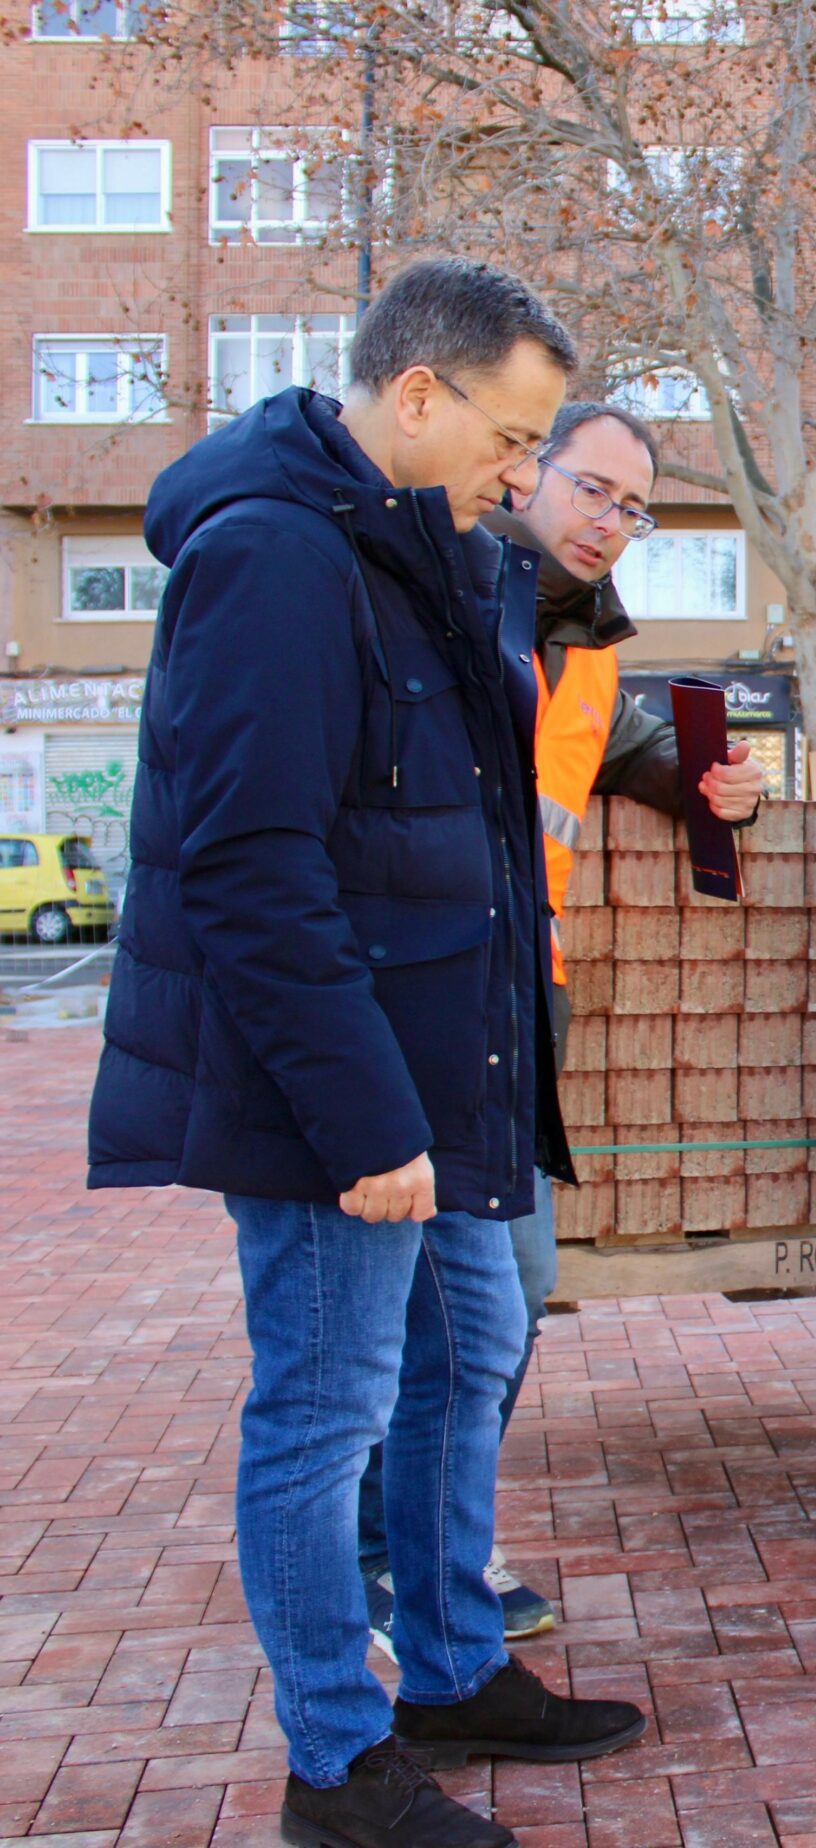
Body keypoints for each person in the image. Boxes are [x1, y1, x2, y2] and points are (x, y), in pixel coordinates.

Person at [86, 259, 646, 1848]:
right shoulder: (272, 557)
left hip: (441, 1075)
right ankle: (336, 1762)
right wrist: (363, 1125)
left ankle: (455, 1666)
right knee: (325, 1408)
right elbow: (250, 867)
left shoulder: (420, 548)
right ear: (418, 397)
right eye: (517, 440)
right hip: (341, 1100)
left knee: (471, 1355)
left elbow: (459, 819)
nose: (524, 477)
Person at [353, 400, 765, 1654]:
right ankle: (391, 1560)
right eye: (593, 490)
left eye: (635, 508)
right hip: (404, 1004)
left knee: (510, 1295)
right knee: (407, 1307)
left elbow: (619, 752)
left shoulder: (584, 648)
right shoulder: (429, 599)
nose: (612, 524)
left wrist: (719, 785)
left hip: (515, 1014)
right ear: (526, 474)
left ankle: (430, 1548)